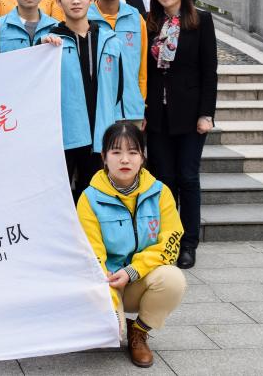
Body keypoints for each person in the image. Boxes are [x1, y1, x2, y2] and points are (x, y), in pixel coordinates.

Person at [77, 121, 186, 369]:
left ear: (143, 157)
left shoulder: (160, 193)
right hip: (106, 281)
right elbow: (91, 252)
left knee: (173, 279)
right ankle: (116, 322)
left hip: (140, 278)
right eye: (116, 152)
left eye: (133, 152)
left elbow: (170, 242)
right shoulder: (89, 198)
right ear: (104, 157)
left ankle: (139, 331)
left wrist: (133, 271)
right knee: (109, 333)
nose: (124, 159)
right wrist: (110, 299)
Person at [145, 0, 217, 270]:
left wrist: (206, 114)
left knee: (187, 177)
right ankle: (167, 240)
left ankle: (188, 243)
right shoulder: (149, 22)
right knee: (164, 179)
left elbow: (209, 71)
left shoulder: (201, 20)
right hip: (157, 114)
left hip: (190, 114)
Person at [52, 0, 136, 200]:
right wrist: (43, 47)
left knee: (95, 197)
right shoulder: (50, 42)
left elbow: (119, 89)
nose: (76, 1)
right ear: (58, 1)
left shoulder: (110, 40)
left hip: (101, 133)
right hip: (65, 135)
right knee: (62, 199)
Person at [89, 0, 148, 114]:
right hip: (96, 109)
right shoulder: (85, 19)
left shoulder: (136, 18)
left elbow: (142, 67)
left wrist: (140, 103)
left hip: (131, 109)